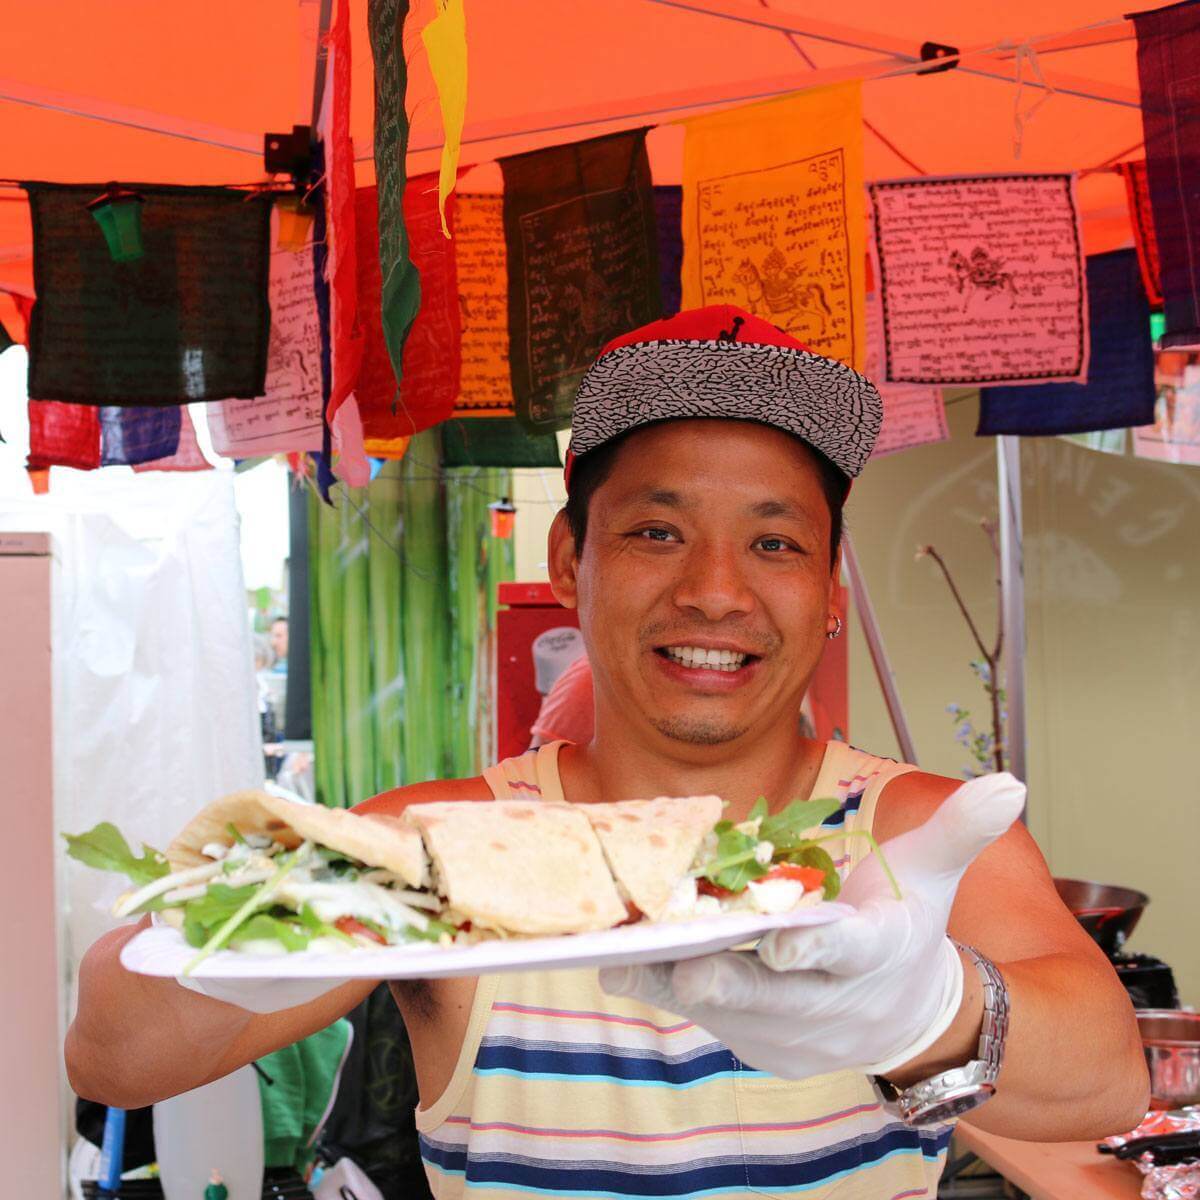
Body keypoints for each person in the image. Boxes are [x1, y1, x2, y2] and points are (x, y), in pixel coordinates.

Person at [66, 306, 1148, 1199]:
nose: (716, 591)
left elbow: (1104, 1082)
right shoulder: (448, 842)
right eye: (656, 532)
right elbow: (117, 1053)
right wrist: (308, 910)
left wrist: (927, 1010)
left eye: (774, 542)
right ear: (570, 559)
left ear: (828, 595)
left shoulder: (911, 834)